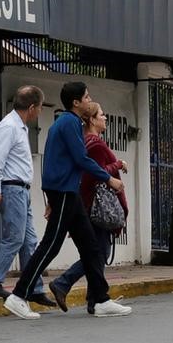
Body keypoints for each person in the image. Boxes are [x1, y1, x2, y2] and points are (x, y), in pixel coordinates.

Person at [3, 81, 131, 320]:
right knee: (50, 246)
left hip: (65, 192)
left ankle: (101, 300)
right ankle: (18, 295)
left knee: (92, 248)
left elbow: (60, 161)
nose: (89, 100)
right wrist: (109, 178)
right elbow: (81, 159)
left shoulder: (65, 122)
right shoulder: (70, 122)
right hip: (63, 192)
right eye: (86, 96)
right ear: (76, 102)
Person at [0, 86, 56, 308]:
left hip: (21, 189)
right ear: (31, 107)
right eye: (40, 108)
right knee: (15, 238)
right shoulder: (9, 127)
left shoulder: (19, 127)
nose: (40, 112)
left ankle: (33, 286)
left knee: (30, 240)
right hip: (11, 188)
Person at [49, 102, 129, 306]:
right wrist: (118, 165)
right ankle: (64, 283)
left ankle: (94, 298)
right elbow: (95, 172)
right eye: (101, 115)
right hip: (95, 206)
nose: (105, 118)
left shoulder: (88, 142)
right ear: (92, 120)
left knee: (98, 253)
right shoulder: (95, 144)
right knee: (97, 254)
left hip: (86, 205)